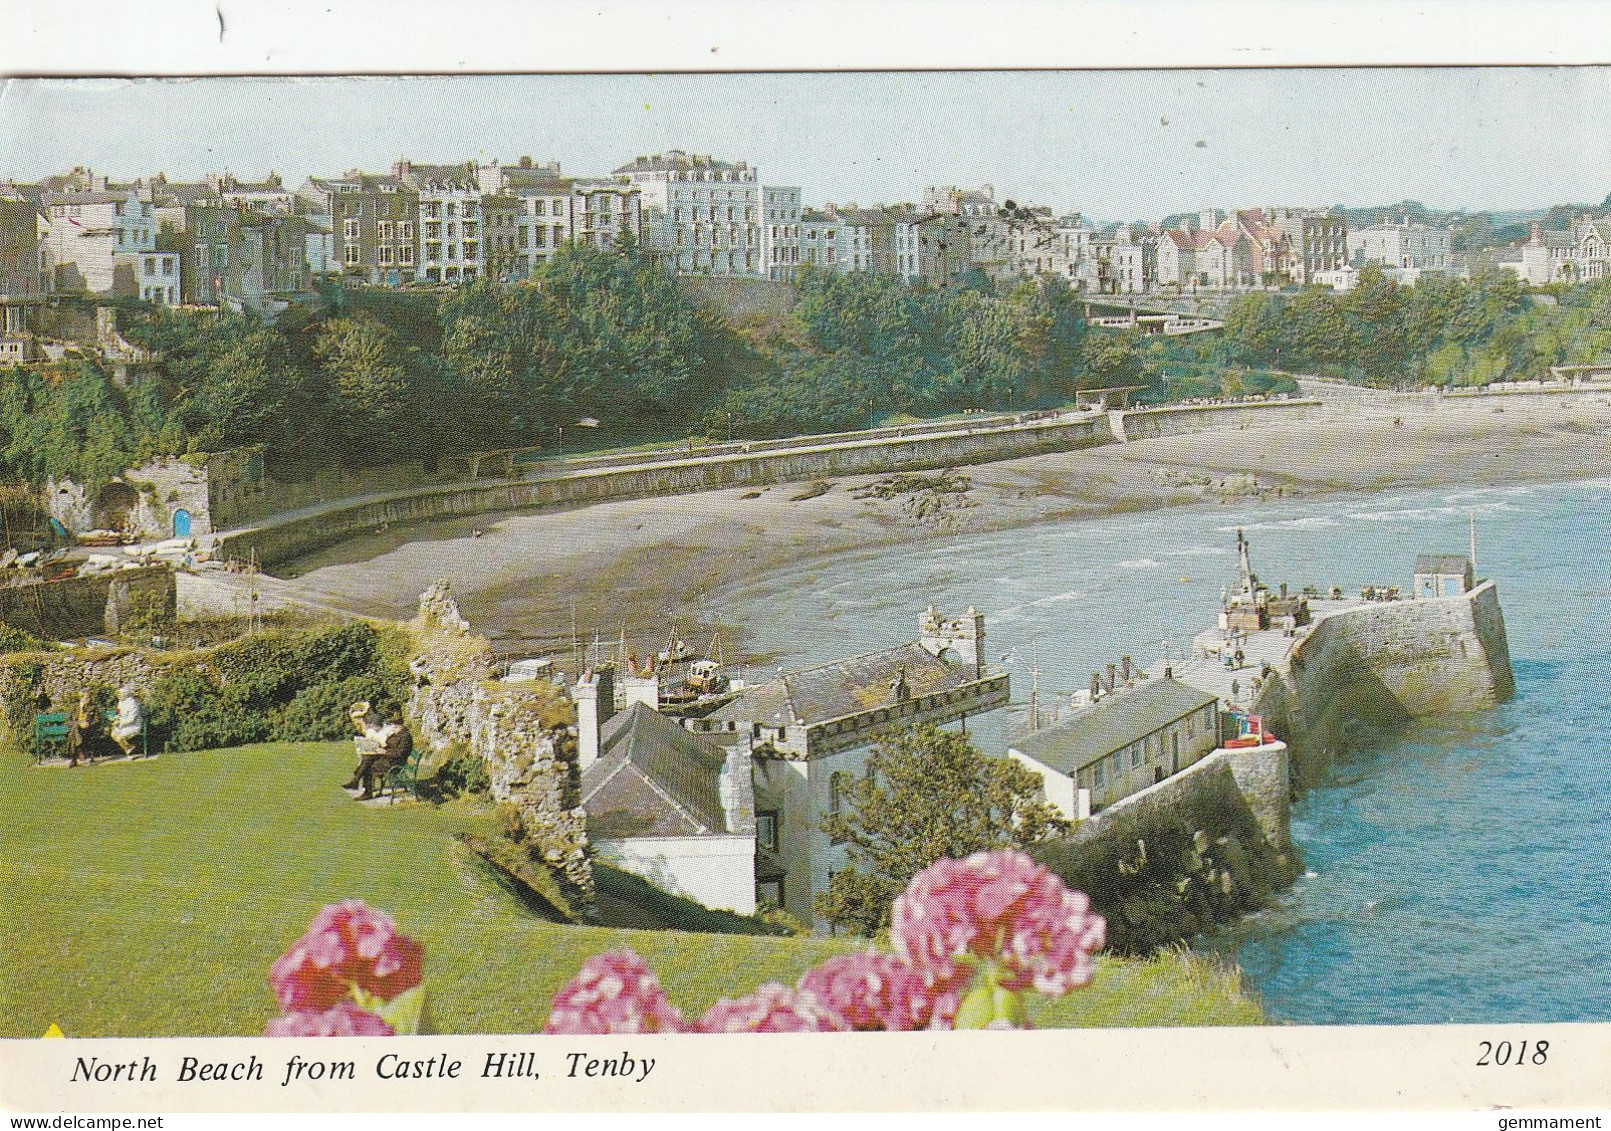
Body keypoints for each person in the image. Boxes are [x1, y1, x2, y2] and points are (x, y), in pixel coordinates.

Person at [111, 685, 145, 758]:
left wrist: (120, 722)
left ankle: (129, 753)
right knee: (113, 734)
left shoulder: (133, 704)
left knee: (119, 737)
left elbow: (132, 719)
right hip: (123, 724)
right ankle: (129, 747)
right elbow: (118, 711)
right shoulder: (120, 701)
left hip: (134, 725)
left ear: (125, 693)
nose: (118, 695)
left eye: (120, 694)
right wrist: (116, 718)